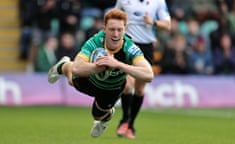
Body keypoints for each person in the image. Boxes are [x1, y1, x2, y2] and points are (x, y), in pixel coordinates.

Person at [48, 9, 153, 138]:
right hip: (90, 79)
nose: (116, 34)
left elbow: (149, 75)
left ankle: (106, 117)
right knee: (71, 77)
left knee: (97, 115)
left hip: (112, 88)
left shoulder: (130, 48)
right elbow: (78, 68)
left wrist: (118, 65)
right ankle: (63, 65)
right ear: (104, 29)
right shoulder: (96, 41)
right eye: (112, 29)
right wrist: (100, 67)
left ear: (125, 29)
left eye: (119, 30)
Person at [114, 0, 171, 139]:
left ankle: (131, 125)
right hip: (127, 44)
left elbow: (168, 25)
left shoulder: (158, 2)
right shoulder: (123, 1)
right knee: (127, 86)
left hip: (146, 48)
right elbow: (114, 18)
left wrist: (154, 22)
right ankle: (125, 119)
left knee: (139, 89)